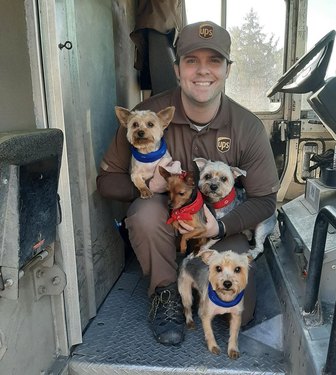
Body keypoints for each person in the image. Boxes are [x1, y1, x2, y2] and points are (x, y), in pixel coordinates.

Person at [96, 20, 279, 346]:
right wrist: (147, 188)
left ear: (227, 69)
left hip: (221, 225)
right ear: (178, 69)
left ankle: (199, 280)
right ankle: (165, 292)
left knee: (243, 311)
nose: (202, 71)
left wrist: (219, 230)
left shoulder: (247, 126)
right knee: (145, 212)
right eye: (191, 61)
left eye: (214, 61)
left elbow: (265, 200)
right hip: (166, 219)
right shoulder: (147, 115)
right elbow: (107, 182)